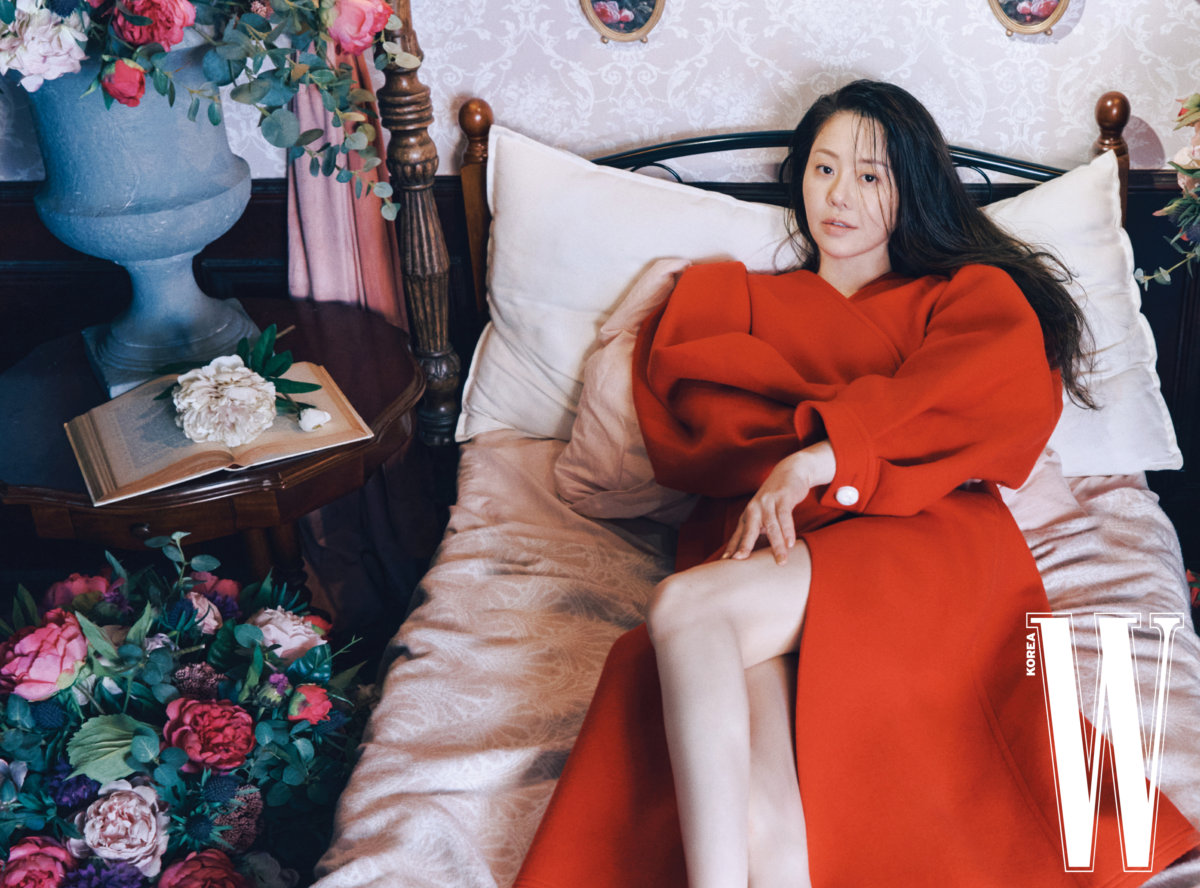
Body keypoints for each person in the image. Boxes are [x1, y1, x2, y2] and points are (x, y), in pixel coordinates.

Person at [513, 80, 1199, 888]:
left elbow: (987, 398)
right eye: (824, 168)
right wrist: (832, 439)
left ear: (911, 191)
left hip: (922, 541)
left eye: (870, 176)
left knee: (686, 609)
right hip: (771, 546)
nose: (840, 196)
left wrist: (824, 454)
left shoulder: (966, 294)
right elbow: (696, 440)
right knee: (759, 812)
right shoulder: (725, 298)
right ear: (798, 177)